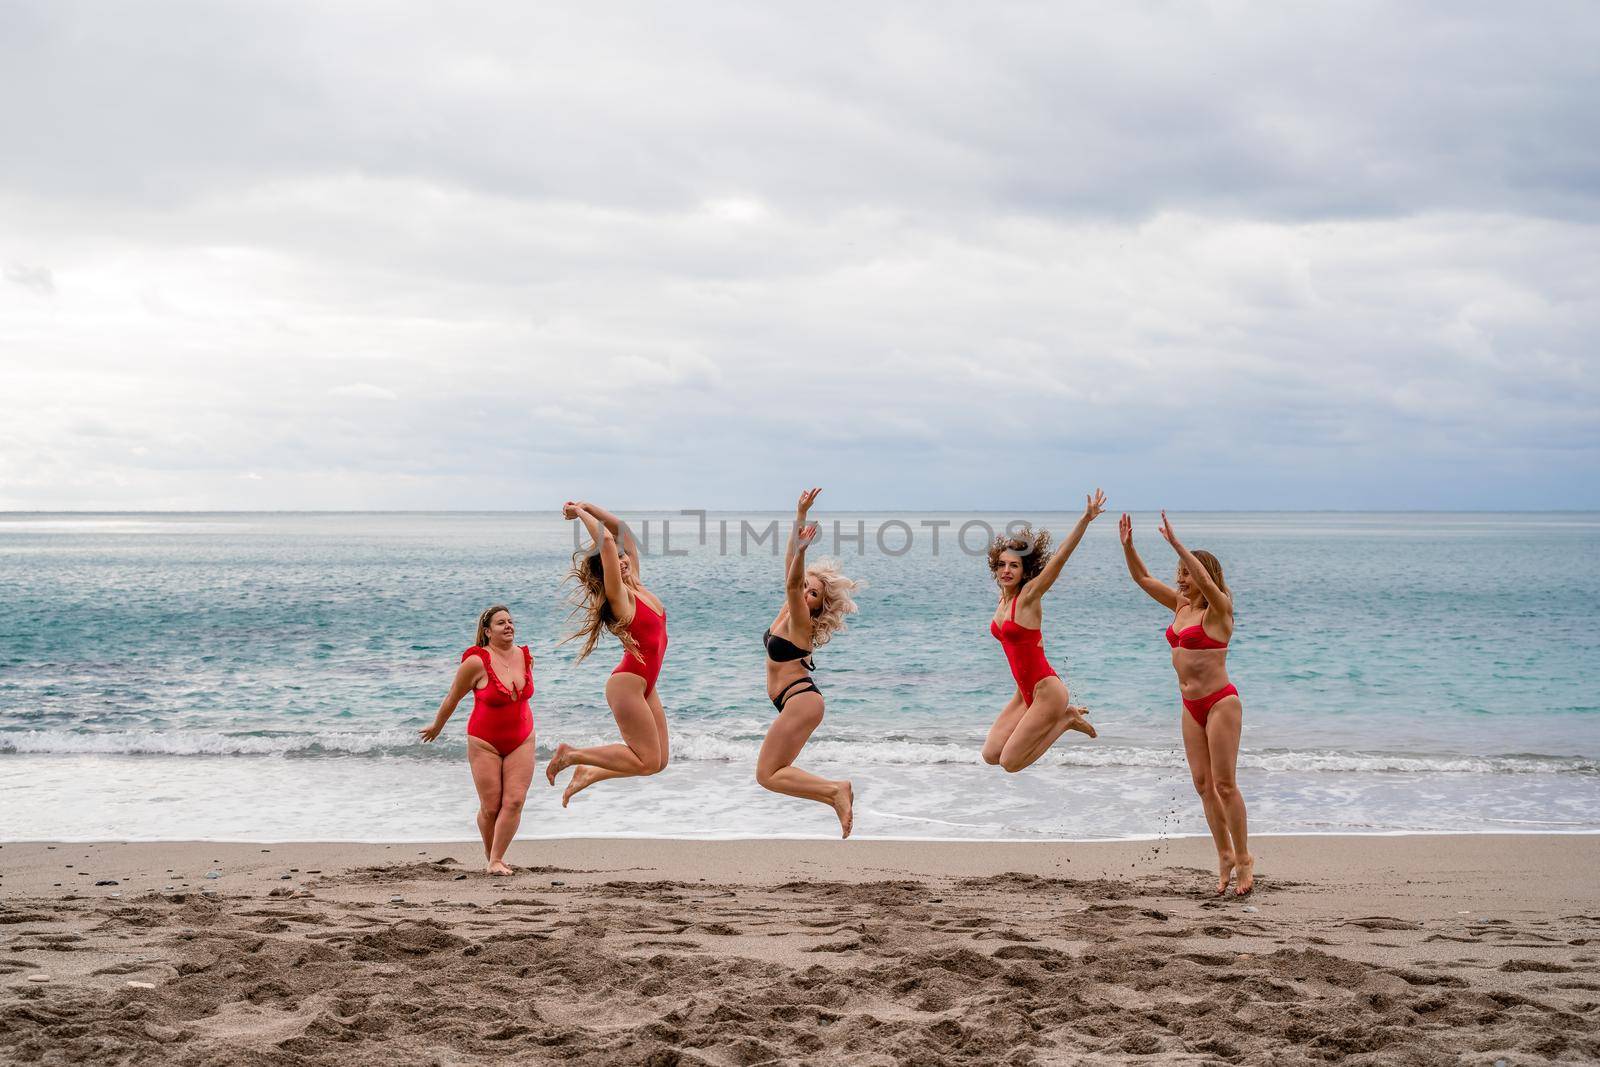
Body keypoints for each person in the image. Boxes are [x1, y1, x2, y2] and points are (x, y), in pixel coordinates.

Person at [1119, 510, 1252, 896]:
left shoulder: (1219, 609)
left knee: (1225, 785)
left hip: (1220, 704)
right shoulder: (1180, 606)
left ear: (1203, 574)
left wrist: (1177, 543)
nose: (1180, 578)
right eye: (1178, 571)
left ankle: (1245, 859)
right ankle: (1224, 854)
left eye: (1186, 572)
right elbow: (1141, 578)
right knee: (1202, 784)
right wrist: (1129, 546)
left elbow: (1209, 582)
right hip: (1189, 705)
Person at [544, 501, 670, 805]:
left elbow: (621, 531)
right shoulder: (620, 598)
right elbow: (610, 542)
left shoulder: (637, 583)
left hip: (645, 685)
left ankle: (590, 773)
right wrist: (581, 516)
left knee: (659, 762)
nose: (624, 560)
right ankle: (572, 755)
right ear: (607, 569)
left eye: (626, 556)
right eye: (617, 559)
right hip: (627, 684)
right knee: (647, 760)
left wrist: (589, 506)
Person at [756, 488, 862, 836]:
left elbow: (791, 582)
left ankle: (835, 791)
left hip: (802, 701)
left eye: (813, 593)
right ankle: (834, 792)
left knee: (768, 773)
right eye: (805, 587)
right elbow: (791, 572)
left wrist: (802, 553)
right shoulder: (789, 606)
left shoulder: (802, 620)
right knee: (771, 772)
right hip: (795, 700)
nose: (804, 593)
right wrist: (799, 514)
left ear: (817, 606)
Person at [982, 490, 1104, 772]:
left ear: (1025, 571)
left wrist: (1085, 519)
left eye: (1014, 565)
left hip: (1047, 691)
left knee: (1010, 762)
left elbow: (1059, 560)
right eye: (1002, 565)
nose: (1007, 570)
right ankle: (1062, 718)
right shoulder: (1003, 600)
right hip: (1024, 693)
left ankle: (1066, 720)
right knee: (990, 754)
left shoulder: (1028, 596)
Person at [419, 604, 534, 876]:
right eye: (500, 623)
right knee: (491, 806)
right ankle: (491, 856)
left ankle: (496, 859)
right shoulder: (476, 662)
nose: (508, 626)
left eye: (510, 621)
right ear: (487, 631)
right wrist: (437, 726)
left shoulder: (525, 657)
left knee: (515, 801)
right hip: (485, 742)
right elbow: (453, 698)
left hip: (522, 739)